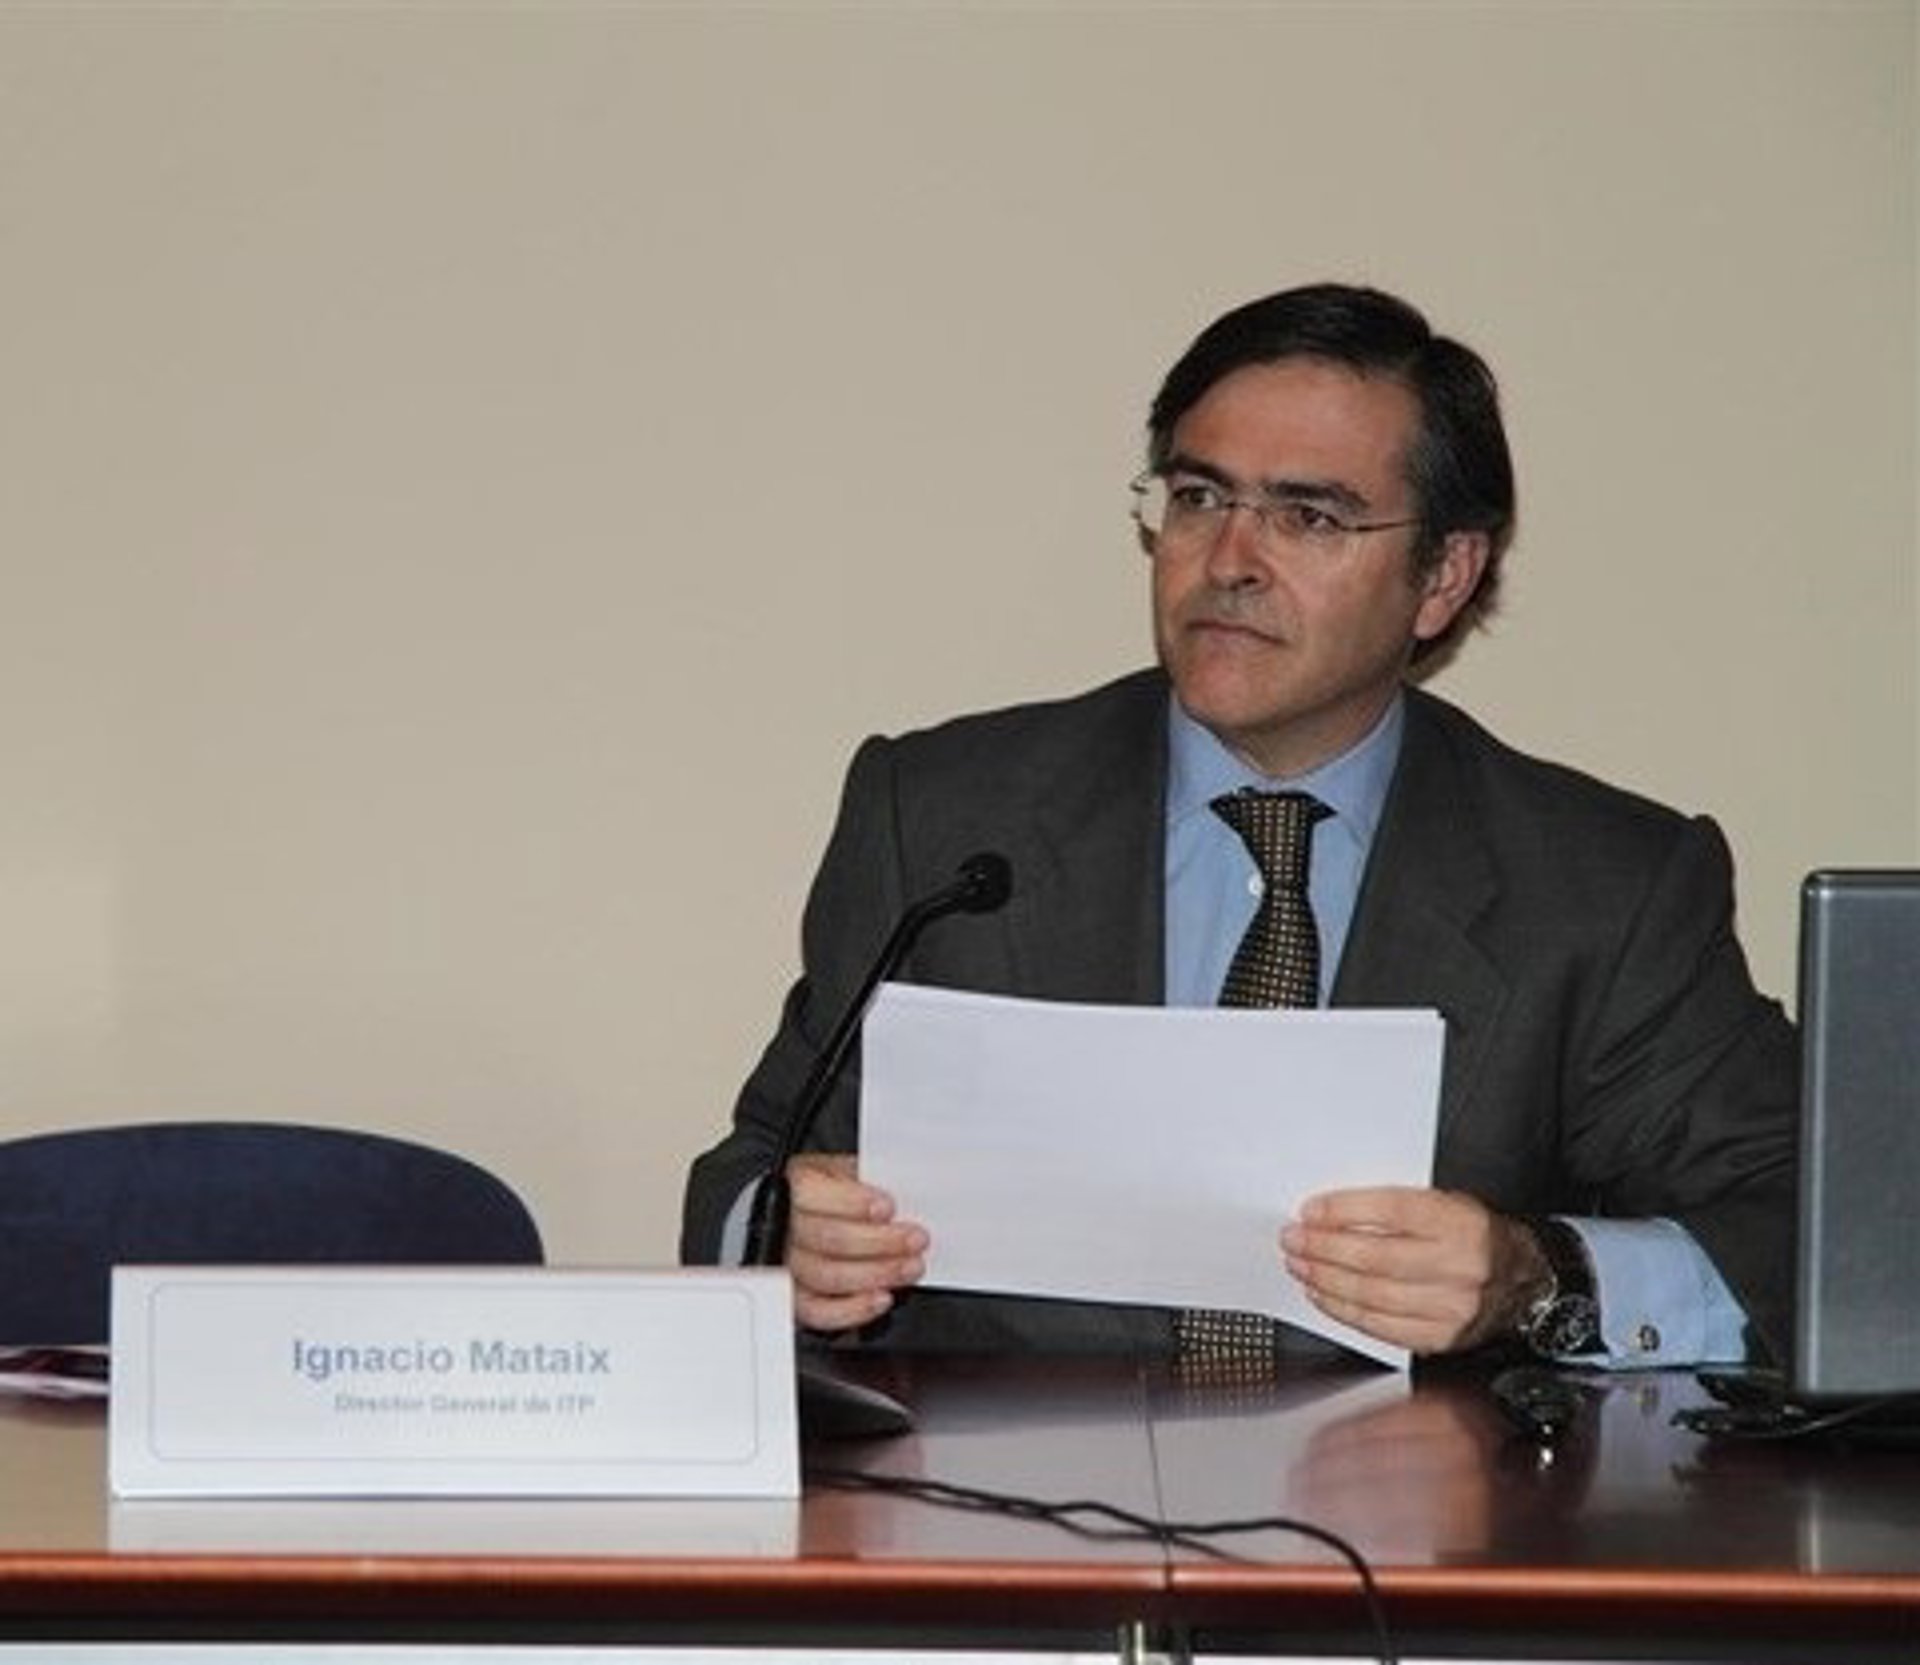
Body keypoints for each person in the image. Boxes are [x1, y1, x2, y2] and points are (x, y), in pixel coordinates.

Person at [680, 283, 1796, 1367]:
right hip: (989, 1483)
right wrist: (786, 1238)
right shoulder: (943, 815)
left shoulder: (1604, 886)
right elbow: (750, 1176)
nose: (1228, 564)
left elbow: (1800, 1230)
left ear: (1444, 576)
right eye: (1200, 498)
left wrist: (1538, 1279)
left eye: (1309, 517)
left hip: (1430, 1493)